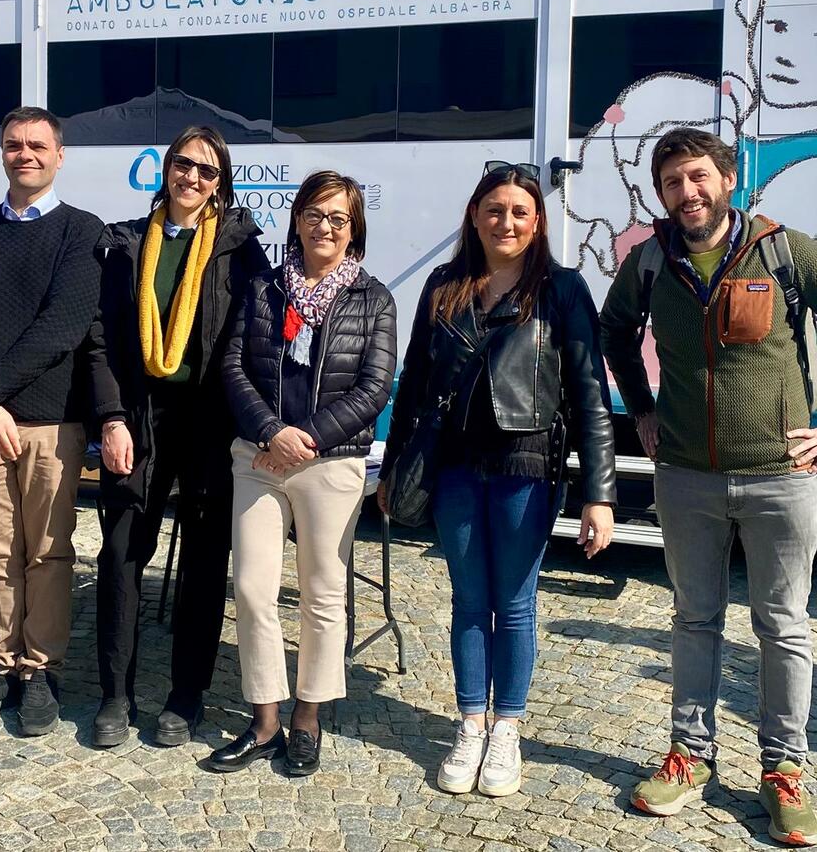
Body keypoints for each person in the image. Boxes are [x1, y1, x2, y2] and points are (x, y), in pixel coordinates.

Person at [600, 128, 817, 845]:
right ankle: (690, 756)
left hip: (782, 477)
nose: (686, 192)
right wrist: (641, 409)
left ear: (727, 179)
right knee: (694, 619)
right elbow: (613, 332)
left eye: (697, 177)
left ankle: (785, 770)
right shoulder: (648, 260)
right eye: (672, 182)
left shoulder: (784, 251)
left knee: (782, 626)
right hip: (686, 475)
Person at [380, 161, 616, 797]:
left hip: (527, 467)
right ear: (474, 216)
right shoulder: (443, 285)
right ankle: (470, 724)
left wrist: (599, 495)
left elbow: (591, 395)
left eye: (519, 212)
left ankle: (506, 728)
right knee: (467, 600)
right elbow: (414, 385)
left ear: (537, 222)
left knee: (513, 603)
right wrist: (394, 466)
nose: (505, 222)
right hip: (454, 467)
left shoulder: (562, 289)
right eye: (494, 210)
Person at [85, 125, 270, 749]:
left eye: (207, 170)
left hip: (211, 421)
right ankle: (115, 694)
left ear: (221, 183)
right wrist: (111, 417)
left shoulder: (240, 251)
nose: (192, 177)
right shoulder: (128, 243)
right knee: (121, 551)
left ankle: (186, 695)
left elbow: (257, 339)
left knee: (203, 559)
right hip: (140, 415)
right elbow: (102, 338)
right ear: (166, 168)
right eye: (184, 164)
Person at [213, 171, 396, 776]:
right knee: (252, 589)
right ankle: (265, 720)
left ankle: (308, 718)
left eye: (338, 218)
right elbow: (233, 367)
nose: (325, 226)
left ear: (354, 229)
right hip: (259, 458)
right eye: (314, 214)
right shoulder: (263, 288)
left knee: (322, 594)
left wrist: (308, 439)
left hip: (332, 462)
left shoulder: (373, 299)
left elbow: (374, 387)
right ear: (297, 220)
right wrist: (272, 432)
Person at [0, 106, 104, 733]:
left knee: (49, 554)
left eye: (37, 145)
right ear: (2, 154)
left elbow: (63, 327)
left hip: (50, 426)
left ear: (60, 155)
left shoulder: (80, 232)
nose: (24, 154)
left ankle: (41, 670)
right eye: (13, 145)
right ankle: (0, 662)